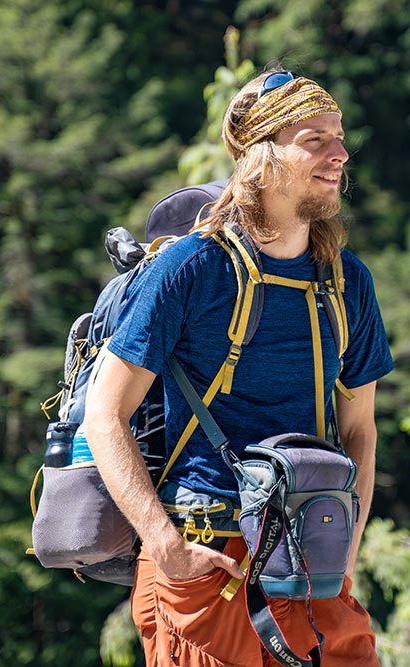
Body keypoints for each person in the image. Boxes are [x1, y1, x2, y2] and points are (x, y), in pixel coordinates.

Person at [85, 69, 393, 667]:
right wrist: (166, 547)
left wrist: (346, 549)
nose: (340, 153)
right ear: (261, 156)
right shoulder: (189, 270)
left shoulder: (347, 280)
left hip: (311, 563)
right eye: (314, 139)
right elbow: (105, 413)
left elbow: (360, 429)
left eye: (339, 135)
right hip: (207, 555)